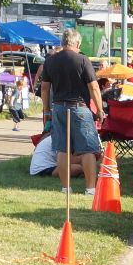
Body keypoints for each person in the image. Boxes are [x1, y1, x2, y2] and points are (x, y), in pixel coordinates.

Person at [37, 24, 102, 194]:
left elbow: (44, 88)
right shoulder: (82, 60)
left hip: (58, 107)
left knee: (62, 149)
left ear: (63, 42)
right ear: (77, 44)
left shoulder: (50, 61)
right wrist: (100, 110)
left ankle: (66, 187)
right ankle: (90, 189)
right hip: (79, 108)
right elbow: (94, 87)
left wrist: (46, 110)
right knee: (88, 148)